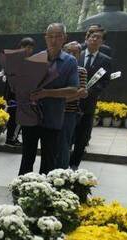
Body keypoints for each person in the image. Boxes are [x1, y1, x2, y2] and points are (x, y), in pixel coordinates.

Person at [18, 23, 79, 175]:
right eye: (50, 36)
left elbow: (73, 89)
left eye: (58, 36)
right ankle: (21, 189)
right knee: (27, 157)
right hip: (31, 116)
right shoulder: (35, 59)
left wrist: (47, 93)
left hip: (53, 117)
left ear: (64, 38)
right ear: (45, 38)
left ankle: (44, 192)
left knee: (49, 159)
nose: (53, 40)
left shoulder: (70, 62)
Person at [69, 29, 112, 169]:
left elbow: (105, 81)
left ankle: (74, 164)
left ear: (102, 42)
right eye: (92, 37)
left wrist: (89, 92)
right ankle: (62, 161)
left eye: (98, 37)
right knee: (68, 133)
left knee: (82, 136)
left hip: (88, 102)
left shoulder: (105, 60)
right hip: (70, 101)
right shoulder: (76, 55)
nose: (94, 39)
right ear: (86, 39)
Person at [57, 42, 88, 169]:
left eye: (75, 52)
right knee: (51, 143)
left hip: (69, 112)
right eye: (69, 51)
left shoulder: (81, 71)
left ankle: (62, 173)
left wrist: (58, 98)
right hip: (52, 112)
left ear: (80, 54)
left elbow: (82, 93)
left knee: (65, 144)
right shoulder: (57, 67)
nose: (72, 54)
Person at [4, 37, 35, 146]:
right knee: (14, 118)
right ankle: (11, 139)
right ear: (21, 47)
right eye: (27, 47)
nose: (29, 50)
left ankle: (13, 137)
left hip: (23, 95)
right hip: (15, 95)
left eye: (31, 48)